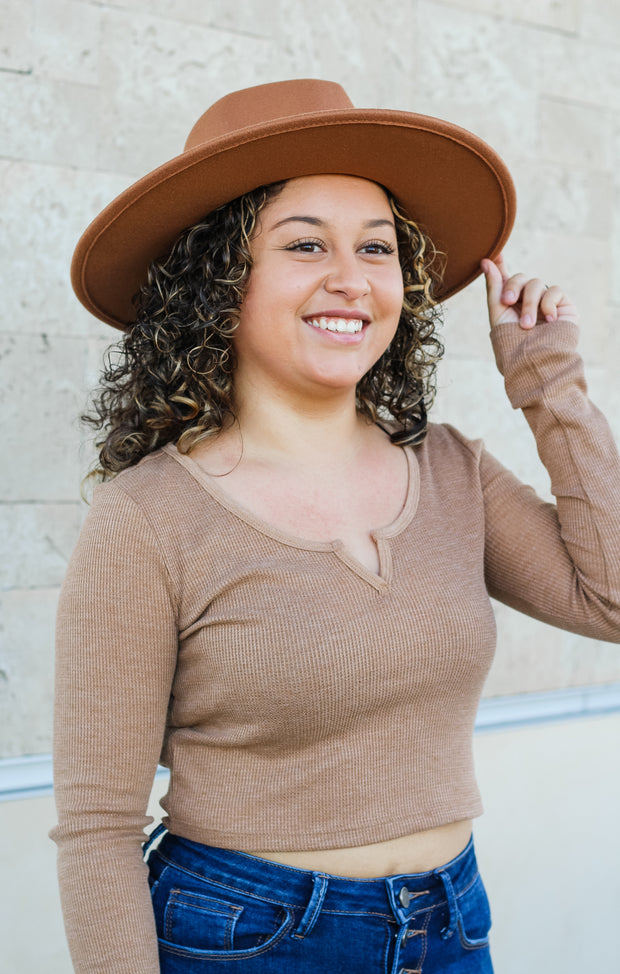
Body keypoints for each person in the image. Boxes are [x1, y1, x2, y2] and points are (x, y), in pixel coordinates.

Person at [51, 79, 620, 974]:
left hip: (452, 926)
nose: (351, 279)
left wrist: (549, 386)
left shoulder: (454, 471)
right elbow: (97, 829)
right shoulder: (147, 519)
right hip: (243, 938)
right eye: (306, 244)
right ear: (219, 279)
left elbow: (612, 599)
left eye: (378, 247)